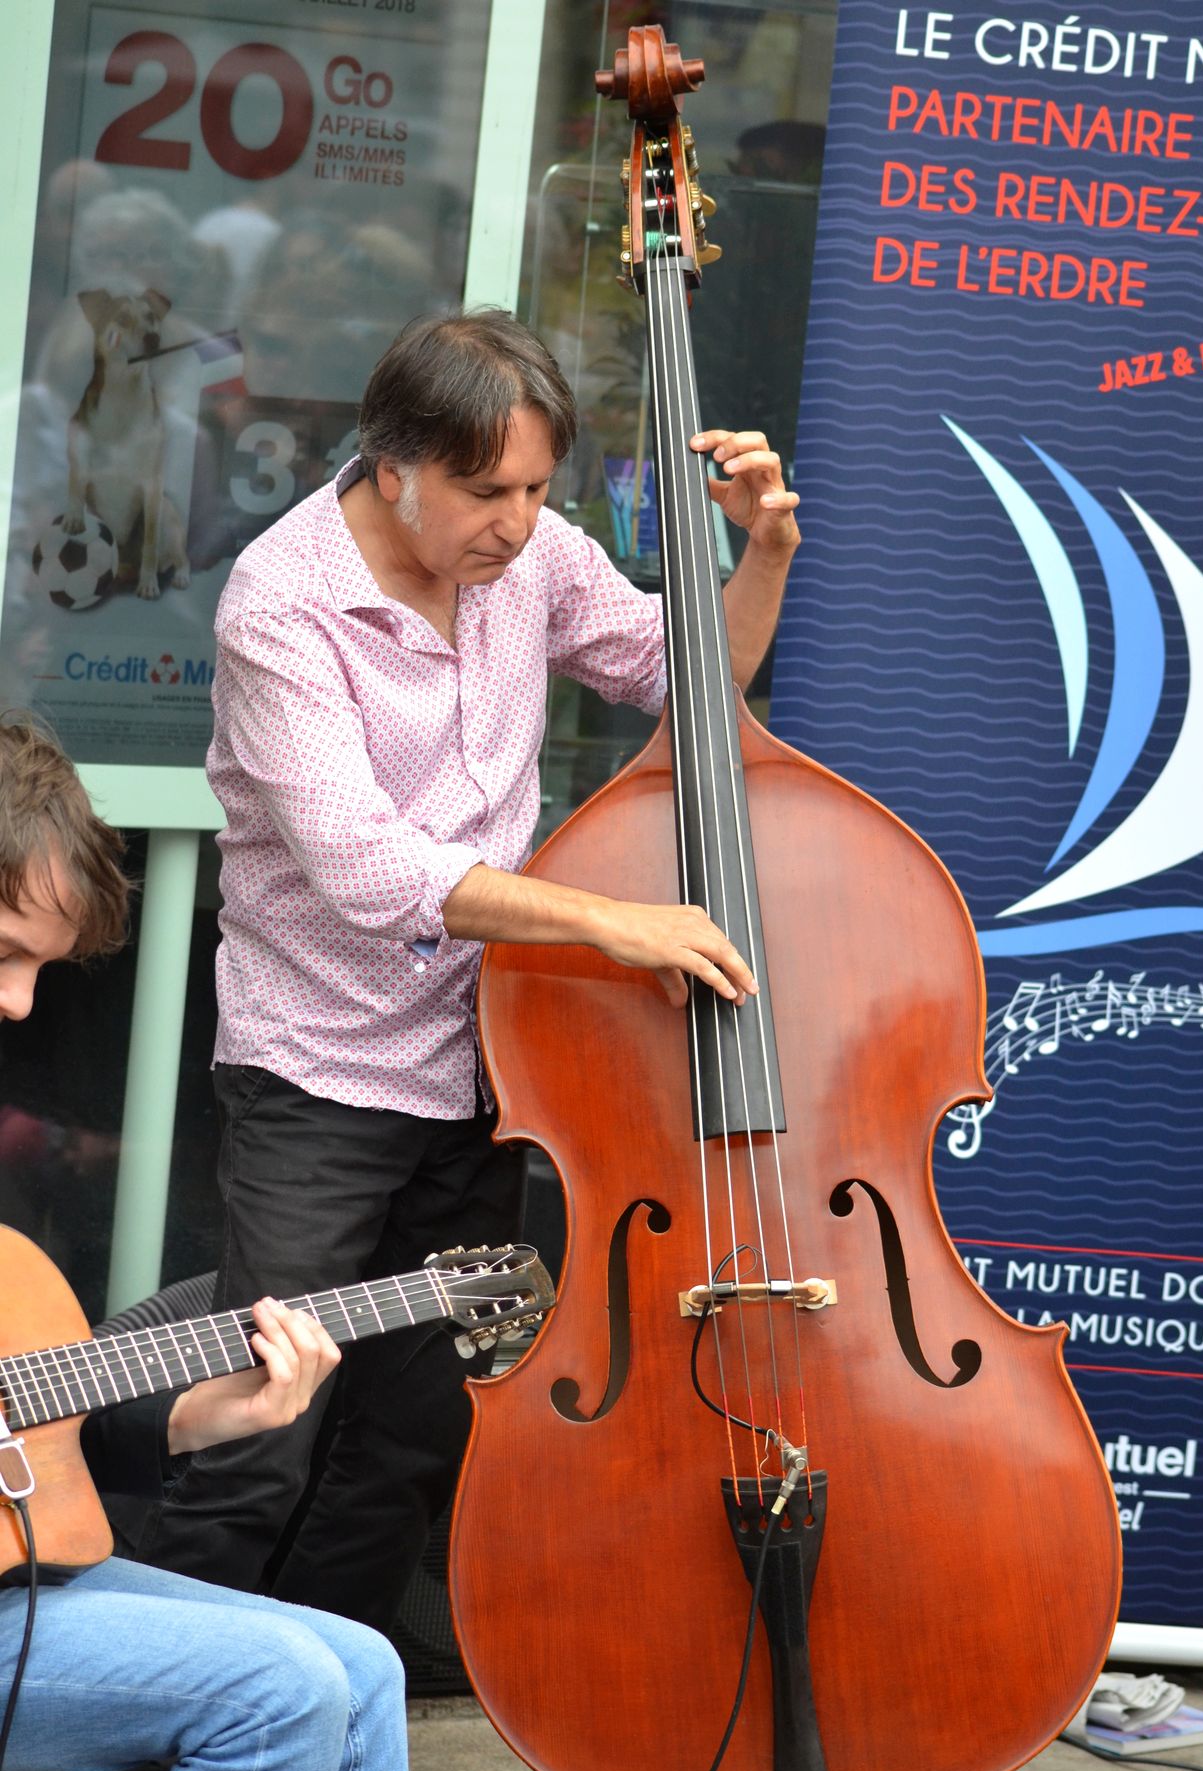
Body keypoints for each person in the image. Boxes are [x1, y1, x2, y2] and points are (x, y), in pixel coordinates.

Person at [120, 307, 800, 1633]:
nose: (521, 521)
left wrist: (763, 551)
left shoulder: (531, 558)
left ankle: (324, 1705)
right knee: (264, 1417)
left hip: (482, 1065)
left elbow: (689, 673)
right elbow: (368, 870)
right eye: (490, 491)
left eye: (540, 489)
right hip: (318, 1070)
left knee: (411, 1434)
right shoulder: (284, 602)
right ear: (393, 467)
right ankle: (158, 1721)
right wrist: (613, 923)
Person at [0, 715, 419, 1771]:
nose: (25, 1008)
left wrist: (200, 1415)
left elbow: (38, 1416)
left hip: (26, 1583)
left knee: (360, 1663)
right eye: (5, 954)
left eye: (43, 969)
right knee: (280, 1689)